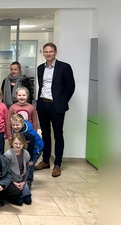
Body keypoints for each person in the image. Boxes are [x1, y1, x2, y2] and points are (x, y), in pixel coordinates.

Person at [34, 43, 75, 177]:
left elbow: (70, 87)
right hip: (42, 104)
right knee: (45, 133)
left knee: (58, 134)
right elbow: (42, 85)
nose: (48, 54)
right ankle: (46, 161)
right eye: (46, 52)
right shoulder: (40, 68)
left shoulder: (64, 67)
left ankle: (57, 163)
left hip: (56, 106)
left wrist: (61, 101)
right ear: (43, 53)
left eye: (51, 51)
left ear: (56, 52)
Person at [10, 114, 44, 188]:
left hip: (36, 149)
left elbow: (30, 147)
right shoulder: (15, 130)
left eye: (17, 125)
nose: (15, 127)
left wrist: (30, 159)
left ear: (22, 124)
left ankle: (28, 181)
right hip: (27, 147)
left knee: (29, 165)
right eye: (13, 125)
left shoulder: (29, 134)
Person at [4, 133, 32, 205]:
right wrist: (14, 182)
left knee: (28, 201)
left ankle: (22, 193)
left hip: (22, 180)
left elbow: (27, 169)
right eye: (16, 143)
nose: (18, 146)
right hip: (12, 180)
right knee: (19, 202)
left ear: (24, 144)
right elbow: (6, 171)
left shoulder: (26, 153)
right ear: (12, 143)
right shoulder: (8, 154)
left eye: (20, 143)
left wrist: (24, 181)